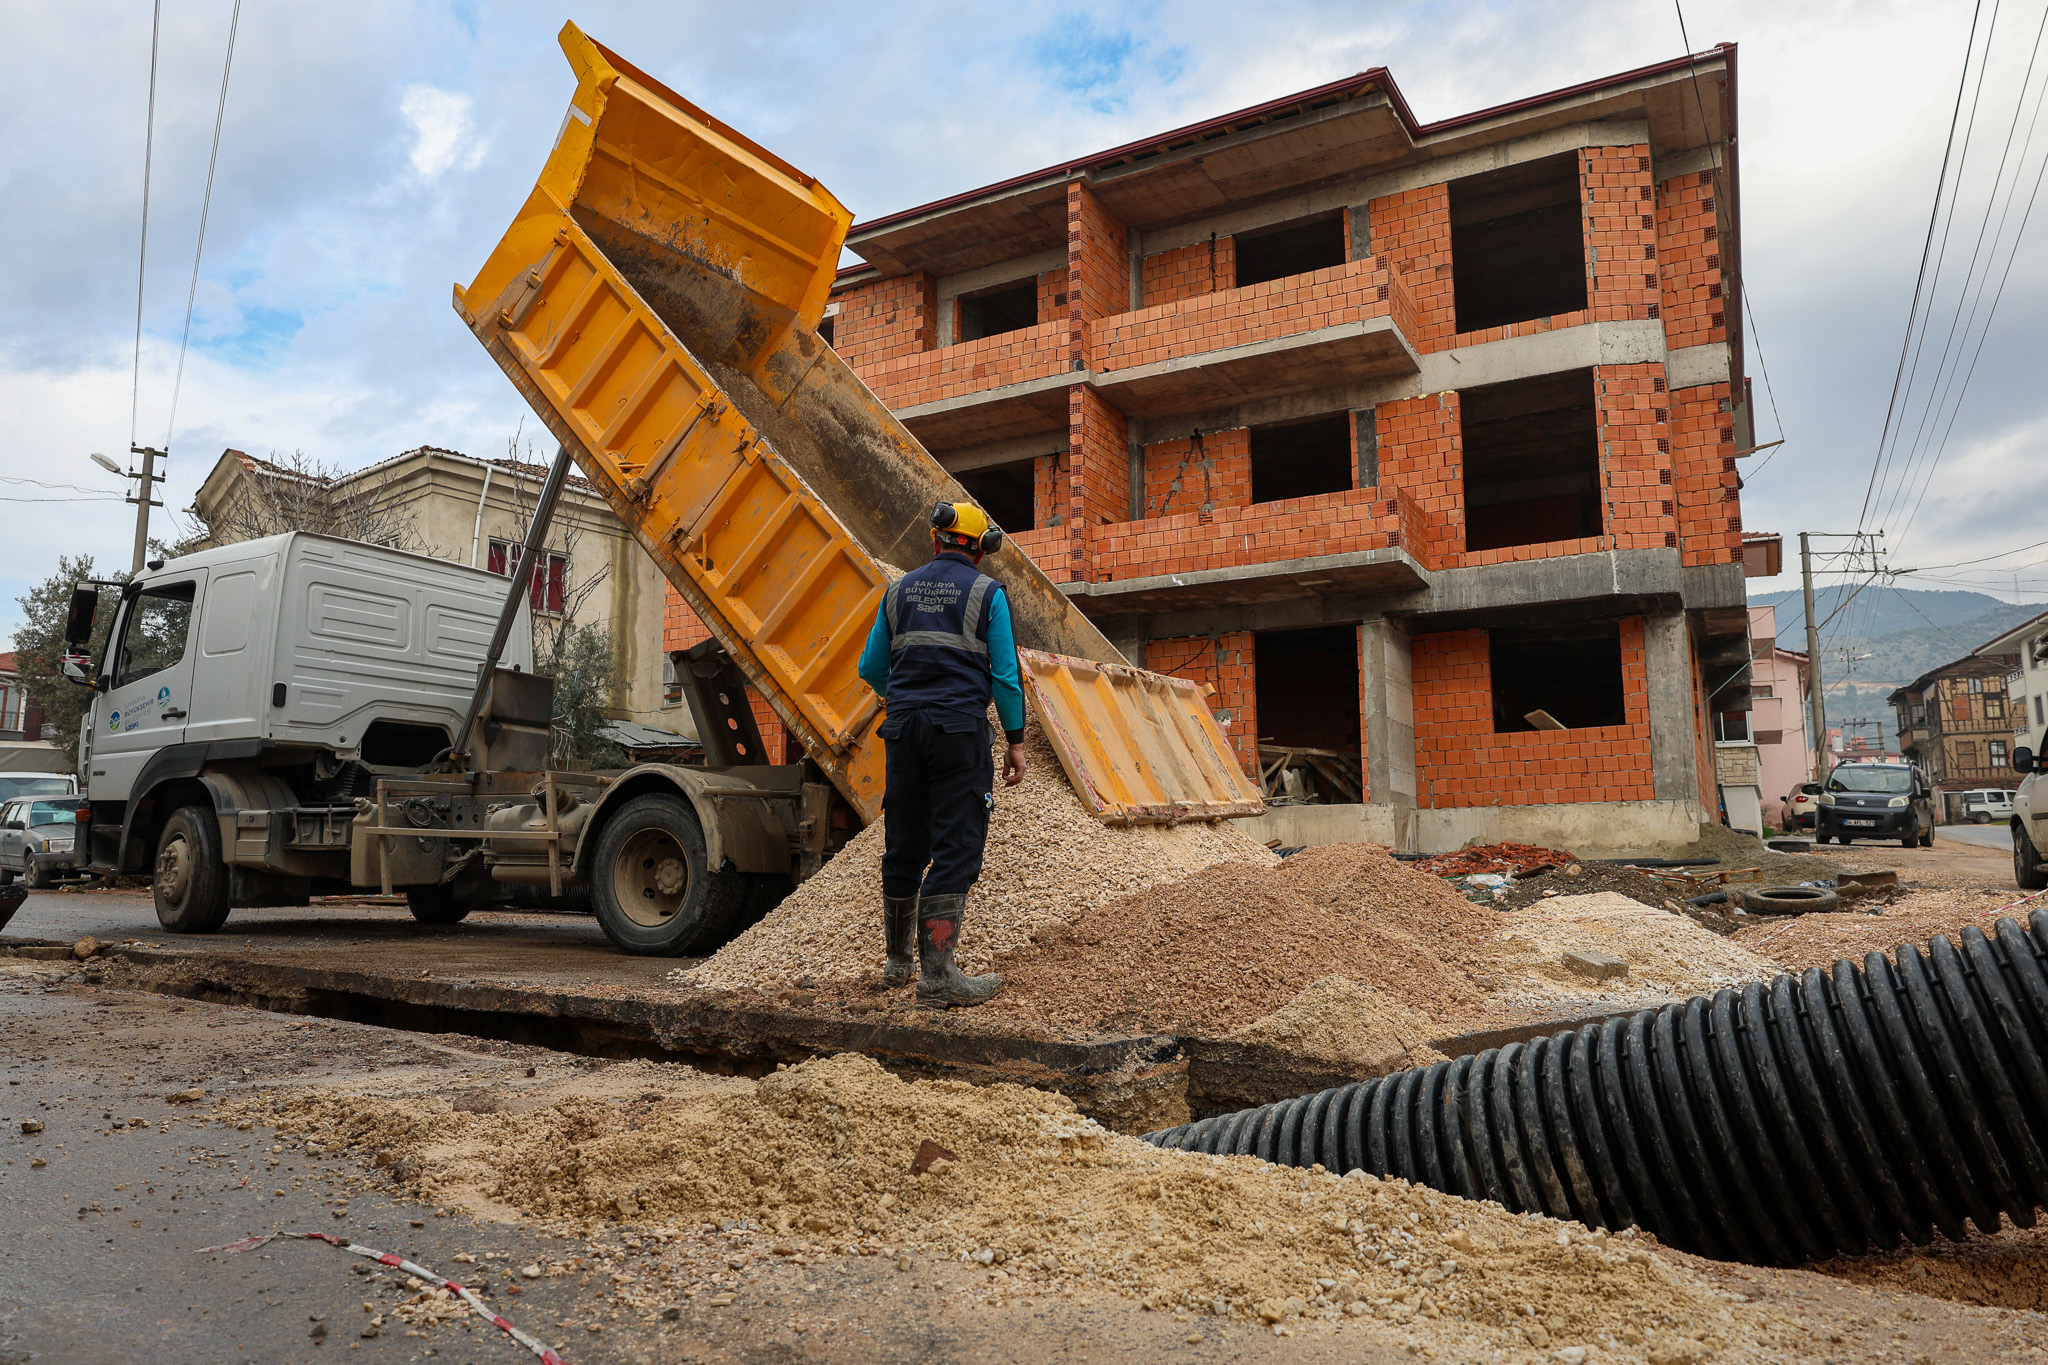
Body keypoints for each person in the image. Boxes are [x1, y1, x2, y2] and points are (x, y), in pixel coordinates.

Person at [856, 501, 1026, 1007]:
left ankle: (897, 963)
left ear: (935, 540)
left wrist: (906, 697)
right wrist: (1016, 741)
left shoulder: (897, 591)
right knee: (955, 845)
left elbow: (870, 667)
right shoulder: (988, 593)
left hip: (903, 731)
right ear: (981, 548)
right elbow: (1003, 676)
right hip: (958, 732)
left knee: (904, 842)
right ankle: (937, 977)